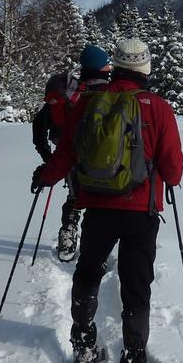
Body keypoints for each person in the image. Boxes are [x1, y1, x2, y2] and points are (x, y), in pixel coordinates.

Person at [32, 37, 183, 363]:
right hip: (141, 214)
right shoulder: (158, 108)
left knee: (87, 273)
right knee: (136, 287)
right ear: (145, 68)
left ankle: (83, 343)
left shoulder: (88, 102)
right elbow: (174, 171)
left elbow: (67, 153)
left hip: (98, 209)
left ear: (115, 65)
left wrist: (45, 175)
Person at [31, 44, 113, 261]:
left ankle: (68, 234)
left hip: (67, 155)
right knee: (99, 200)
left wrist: (48, 159)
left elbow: (38, 126)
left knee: (75, 195)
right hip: (101, 156)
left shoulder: (71, 92)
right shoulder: (105, 92)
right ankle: (97, 248)